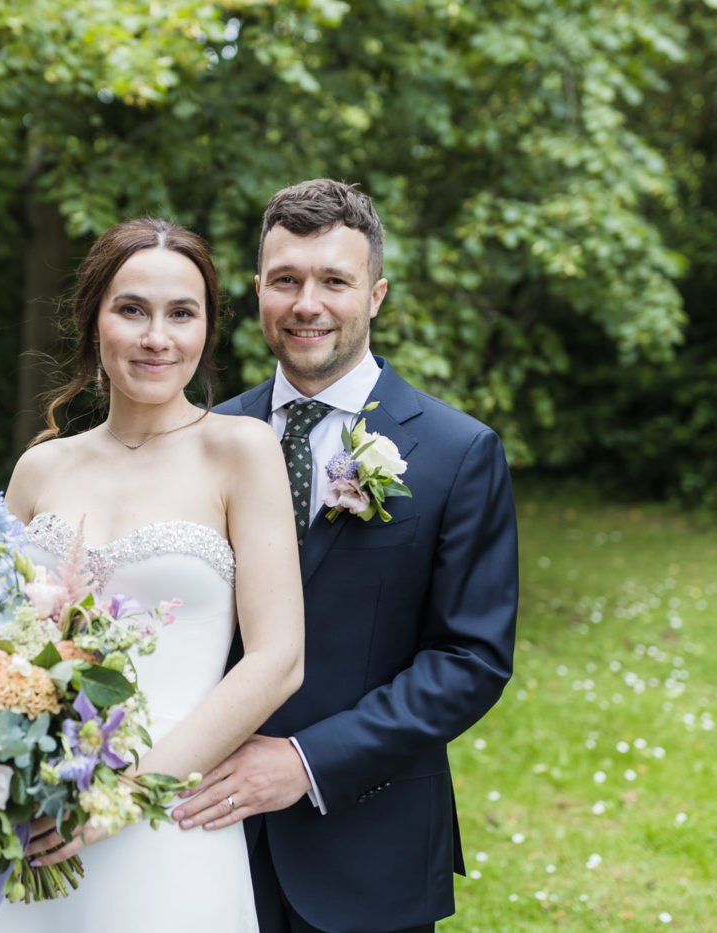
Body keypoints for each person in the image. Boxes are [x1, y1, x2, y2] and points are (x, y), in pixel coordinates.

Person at [181, 179, 519, 932]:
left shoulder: (457, 453)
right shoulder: (199, 437)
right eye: (287, 280)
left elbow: (470, 659)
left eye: (335, 280)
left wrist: (305, 761)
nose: (308, 303)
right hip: (201, 840)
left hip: (371, 849)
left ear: (375, 295)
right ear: (258, 289)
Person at [0, 217, 304, 931]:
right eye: (132, 309)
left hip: (171, 819)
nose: (157, 336)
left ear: (206, 330)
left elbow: (277, 661)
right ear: (92, 319)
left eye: (181, 313)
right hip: (40, 820)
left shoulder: (240, 453)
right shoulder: (40, 469)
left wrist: (124, 795)